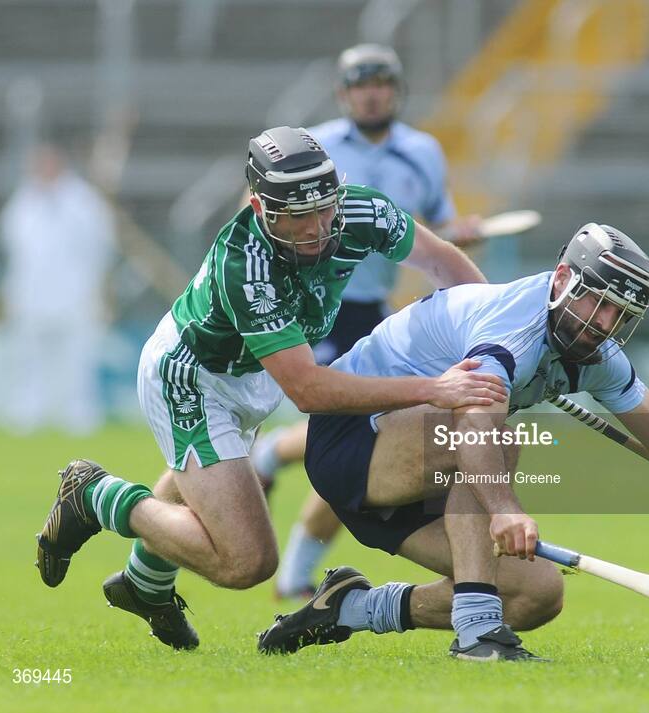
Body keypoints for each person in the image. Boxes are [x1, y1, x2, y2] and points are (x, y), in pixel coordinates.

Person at [256, 223, 649, 662]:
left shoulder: (598, 356)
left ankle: (351, 608)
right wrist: (504, 508)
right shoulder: (517, 327)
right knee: (495, 432)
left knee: (536, 595)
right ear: (561, 281)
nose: (603, 322)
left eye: (619, 314)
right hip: (353, 443)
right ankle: (477, 634)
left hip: (419, 472)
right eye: (596, 301)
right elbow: (475, 425)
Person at [34, 126, 507, 651]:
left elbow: (444, 263)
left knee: (201, 478)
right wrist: (434, 389)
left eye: (325, 209)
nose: (317, 229)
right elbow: (308, 390)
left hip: (253, 374)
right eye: (297, 216)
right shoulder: (247, 264)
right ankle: (95, 495)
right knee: (247, 561)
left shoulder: (362, 211)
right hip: (193, 378)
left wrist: (493, 347)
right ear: (260, 208)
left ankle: (146, 584)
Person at [251, 43, 482, 599]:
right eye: (360, 83)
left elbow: (437, 228)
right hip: (314, 310)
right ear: (343, 93)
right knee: (342, 425)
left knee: (358, 440)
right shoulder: (318, 147)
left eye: (381, 81)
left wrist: (460, 234)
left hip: (374, 314)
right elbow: (259, 213)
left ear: (396, 90)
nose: (371, 91)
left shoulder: (423, 152)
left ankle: (294, 572)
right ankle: (274, 471)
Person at [0, 142, 116, 434]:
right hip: (30, 294)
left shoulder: (83, 201)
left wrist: (99, 290)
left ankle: (80, 415)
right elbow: (12, 248)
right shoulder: (23, 201)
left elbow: (101, 247)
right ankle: (27, 413)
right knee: (28, 359)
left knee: (77, 360)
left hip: (75, 294)